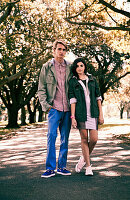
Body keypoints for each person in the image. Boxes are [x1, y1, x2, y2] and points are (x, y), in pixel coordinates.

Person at [38, 39, 72, 178]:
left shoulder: (70, 66)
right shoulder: (46, 67)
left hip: (68, 108)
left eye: (64, 50)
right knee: (51, 136)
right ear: (54, 50)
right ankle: (50, 168)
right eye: (59, 49)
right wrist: (46, 106)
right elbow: (41, 88)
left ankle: (62, 166)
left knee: (65, 138)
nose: (61, 52)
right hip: (54, 108)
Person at [68, 57, 104, 176]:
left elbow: (98, 97)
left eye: (81, 65)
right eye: (77, 66)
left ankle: (83, 158)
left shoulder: (92, 79)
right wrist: (73, 117)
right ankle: (88, 166)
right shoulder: (73, 82)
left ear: (85, 67)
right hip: (80, 114)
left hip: (93, 113)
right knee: (84, 139)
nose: (79, 68)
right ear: (75, 68)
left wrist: (101, 114)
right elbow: (72, 100)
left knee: (94, 139)